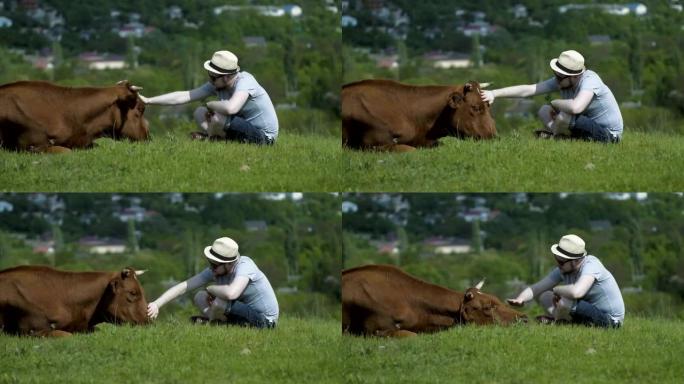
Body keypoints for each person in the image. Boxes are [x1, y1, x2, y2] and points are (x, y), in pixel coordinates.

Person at [480, 50, 623, 143]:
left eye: (560, 78)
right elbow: (529, 89)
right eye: (556, 76)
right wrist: (494, 93)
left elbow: (576, 107)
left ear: (573, 77)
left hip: (609, 136)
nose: (557, 80)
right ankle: (561, 138)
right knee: (544, 110)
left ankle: (556, 138)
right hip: (586, 129)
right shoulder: (564, 81)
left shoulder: (590, 81)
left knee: (563, 116)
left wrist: (555, 101)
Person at [140, 50, 278, 145]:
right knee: (199, 112)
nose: (210, 80)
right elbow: (184, 96)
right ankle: (216, 139)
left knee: (217, 116)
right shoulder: (218, 83)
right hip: (241, 129)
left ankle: (211, 139)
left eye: (212, 76)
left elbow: (231, 108)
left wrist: (210, 104)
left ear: (226, 77)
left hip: (264, 138)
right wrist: (148, 100)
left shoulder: (245, 82)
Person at [147, 236, 279, 328]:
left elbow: (231, 293)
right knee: (199, 296)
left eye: (215, 265)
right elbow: (185, 286)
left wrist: (211, 288)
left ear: (228, 264)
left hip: (265, 322)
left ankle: (213, 323)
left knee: (220, 301)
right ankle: (217, 323)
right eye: (210, 264)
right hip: (242, 316)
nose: (211, 268)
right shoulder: (218, 269)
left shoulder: (245, 266)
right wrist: (157, 304)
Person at [507, 234, 625, 328]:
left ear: (575, 261)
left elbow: (576, 292)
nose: (558, 265)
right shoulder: (564, 269)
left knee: (565, 300)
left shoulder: (591, 266)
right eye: (557, 260)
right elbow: (537, 288)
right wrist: (520, 299)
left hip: (610, 321)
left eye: (561, 262)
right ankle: (561, 322)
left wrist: (556, 290)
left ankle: (557, 323)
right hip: (587, 314)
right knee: (544, 295)